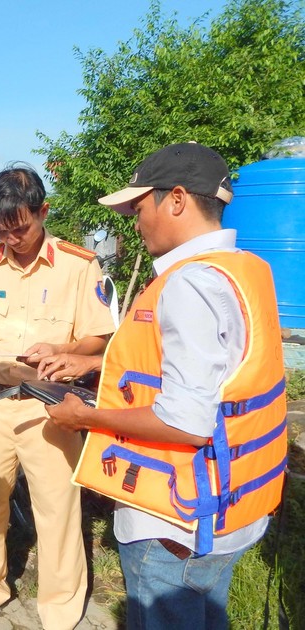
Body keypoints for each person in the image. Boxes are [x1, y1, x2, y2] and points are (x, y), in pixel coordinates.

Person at [45, 142, 288, 629]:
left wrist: (84, 417)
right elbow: (210, 375)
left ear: (176, 199)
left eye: (138, 207)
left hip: (175, 526)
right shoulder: (243, 269)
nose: (135, 222)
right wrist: (87, 362)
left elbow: (185, 422)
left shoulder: (187, 284)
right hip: (234, 508)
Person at [0, 165, 116, 630]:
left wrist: (61, 350)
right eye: (2, 230)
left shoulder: (79, 266)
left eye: (20, 227)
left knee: (57, 505)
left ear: (43, 211)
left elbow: (99, 340)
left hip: (49, 405)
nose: (12, 238)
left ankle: (60, 607)